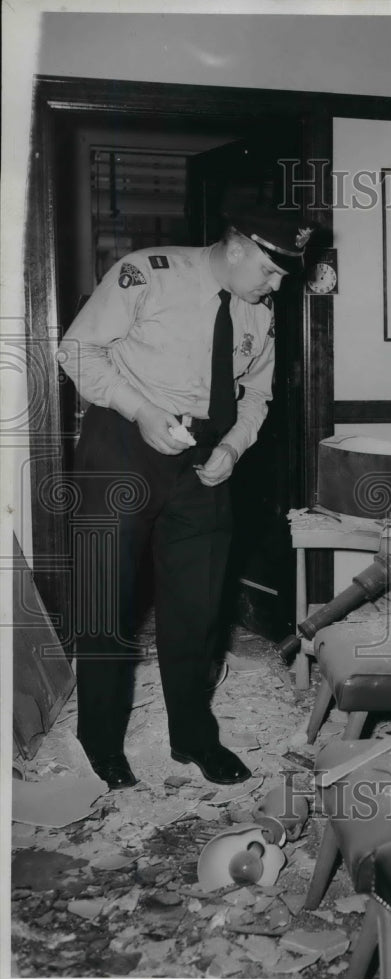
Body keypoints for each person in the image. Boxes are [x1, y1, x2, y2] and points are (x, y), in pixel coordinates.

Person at [56, 206, 313, 789]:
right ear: (240, 247)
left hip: (204, 451)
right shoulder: (147, 273)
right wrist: (141, 411)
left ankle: (193, 736)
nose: (276, 286)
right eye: (272, 271)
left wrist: (233, 448)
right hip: (123, 436)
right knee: (106, 597)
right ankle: (100, 741)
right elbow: (76, 350)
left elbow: (256, 396)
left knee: (199, 603)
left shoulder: (258, 310)